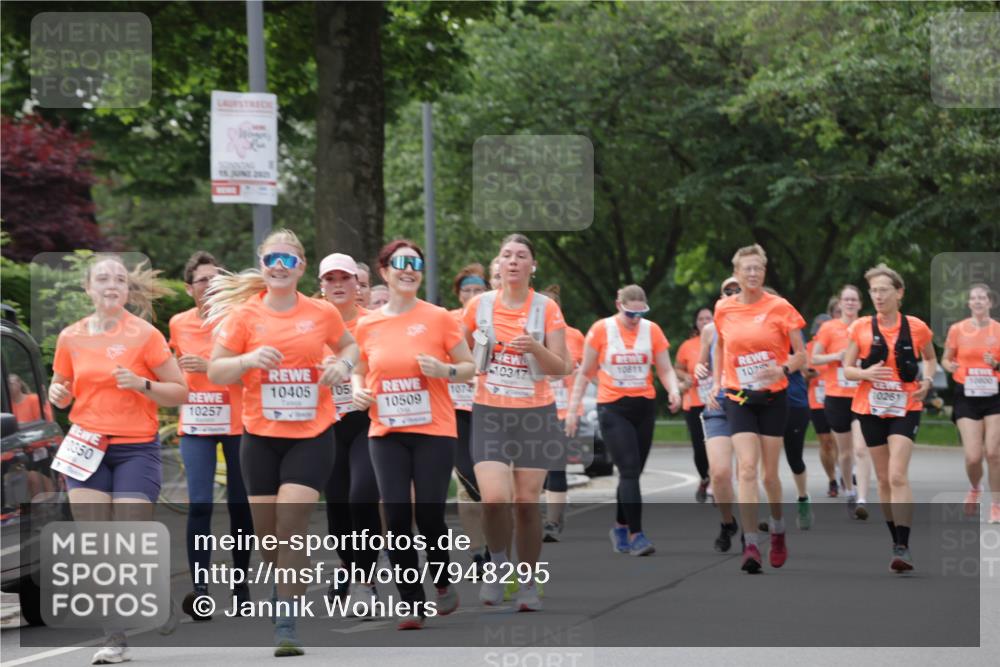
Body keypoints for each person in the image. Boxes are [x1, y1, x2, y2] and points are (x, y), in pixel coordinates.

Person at [207, 229, 358, 656]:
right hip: (259, 436)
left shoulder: (322, 312)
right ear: (262, 265)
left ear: (301, 267)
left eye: (288, 260)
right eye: (272, 258)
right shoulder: (244, 318)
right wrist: (248, 360)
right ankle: (291, 578)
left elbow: (350, 346)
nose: (279, 265)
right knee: (267, 537)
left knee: (291, 526)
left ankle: (286, 621)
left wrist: (342, 366)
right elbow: (217, 371)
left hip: (312, 434)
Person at [48, 254, 188, 664]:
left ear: (127, 290)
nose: (112, 284)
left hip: (135, 448)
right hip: (87, 448)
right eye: (103, 278)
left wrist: (143, 383)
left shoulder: (144, 335)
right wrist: (59, 395)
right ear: (88, 289)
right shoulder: (70, 337)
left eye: (120, 279)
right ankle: (115, 638)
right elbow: (63, 388)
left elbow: (179, 391)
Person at [351, 239, 475, 629]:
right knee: (397, 514)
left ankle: (440, 579)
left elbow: (469, 365)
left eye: (416, 263)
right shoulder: (367, 323)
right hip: (385, 429)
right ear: (384, 271)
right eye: (400, 263)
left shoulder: (438, 317)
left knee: (430, 515)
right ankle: (410, 602)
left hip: (434, 429)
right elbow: (358, 366)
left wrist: (445, 371)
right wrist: (357, 388)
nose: (409, 269)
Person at [463, 234, 571, 612]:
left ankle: (527, 581)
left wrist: (536, 347)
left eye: (521, 256)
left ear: (532, 266)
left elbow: (563, 366)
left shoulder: (546, 309)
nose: (512, 261)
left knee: (526, 503)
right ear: (498, 264)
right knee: (494, 499)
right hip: (490, 411)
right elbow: (461, 354)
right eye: (506, 255)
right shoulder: (479, 306)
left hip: (535, 412)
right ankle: (496, 566)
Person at [566, 285, 682, 557]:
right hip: (613, 408)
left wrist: (674, 390)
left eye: (640, 313)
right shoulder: (601, 330)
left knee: (635, 472)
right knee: (628, 470)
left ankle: (619, 525)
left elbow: (664, 368)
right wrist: (573, 410)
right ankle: (636, 534)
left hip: (643, 406)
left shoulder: (651, 330)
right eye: (630, 313)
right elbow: (584, 374)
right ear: (618, 305)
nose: (635, 318)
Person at [169, 251, 254, 621]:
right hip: (196, 424)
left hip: (237, 421)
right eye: (203, 280)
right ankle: (201, 589)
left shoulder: (239, 321)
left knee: (240, 505)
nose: (210, 285)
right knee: (200, 503)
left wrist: (211, 368)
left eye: (217, 279)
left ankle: (240, 584)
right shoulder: (178, 324)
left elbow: (251, 374)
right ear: (189, 289)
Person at [711, 244, 806, 573]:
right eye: (746, 269)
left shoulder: (780, 307)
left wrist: (781, 370)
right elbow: (722, 345)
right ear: (736, 273)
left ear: (764, 272)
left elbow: (801, 356)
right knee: (746, 469)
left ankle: (777, 529)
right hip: (738, 397)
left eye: (758, 269)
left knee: (769, 475)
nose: (752, 274)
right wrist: (718, 381)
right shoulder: (724, 309)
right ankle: (750, 543)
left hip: (773, 397)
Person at [842, 263, 937, 572]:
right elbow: (847, 368)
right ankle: (895, 538)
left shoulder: (918, 327)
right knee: (883, 479)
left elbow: (931, 358)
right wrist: (865, 372)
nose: (878, 296)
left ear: (899, 293)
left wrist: (927, 381)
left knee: (897, 475)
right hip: (870, 408)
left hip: (905, 406)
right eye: (874, 291)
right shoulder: (860, 327)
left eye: (884, 290)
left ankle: (903, 545)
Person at [317, 252, 383, 612]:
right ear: (321, 286)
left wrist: (362, 378)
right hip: (325, 422)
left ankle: (364, 581)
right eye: (331, 279)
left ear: (358, 284)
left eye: (345, 278)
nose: (338, 285)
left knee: (362, 494)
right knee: (338, 504)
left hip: (366, 420)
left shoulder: (374, 323)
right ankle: (348, 564)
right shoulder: (308, 323)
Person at [942, 283, 1000, 524]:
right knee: (973, 456)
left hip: (994, 394)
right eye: (973, 298)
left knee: (994, 453)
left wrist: (995, 364)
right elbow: (945, 359)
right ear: (968, 304)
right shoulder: (958, 329)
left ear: (990, 303)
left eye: (982, 298)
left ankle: (996, 504)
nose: (977, 302)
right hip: (967, 394)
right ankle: (975, 487)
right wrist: (950, 366)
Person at [813, 285, 871, 519]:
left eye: (853, 299)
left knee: (861, 449)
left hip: (862, 394)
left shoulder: (867, 325)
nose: (849, 303)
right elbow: (814, 357)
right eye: (845, 300)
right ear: (840, 304)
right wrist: (835, 357)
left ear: (859, 303)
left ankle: (862, 499)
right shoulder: (829, 328)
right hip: (836, 396)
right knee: (845, 453)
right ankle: (848, 489)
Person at [449, 263, 489, 570]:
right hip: (457, 410)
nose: (473, 295)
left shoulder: (498, 322)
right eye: (467, 290)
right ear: (459, 294)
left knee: (496, 485)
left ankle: (496, 545)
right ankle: (477, 550)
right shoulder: (446, 321)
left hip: (493, 411)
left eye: (479, 289)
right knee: (467, 483)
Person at [697, 277, 742, 551]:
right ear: (721, 295)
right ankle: (728, 522)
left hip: (750, 403)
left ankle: (755, 529)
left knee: (749, 472)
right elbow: (701, 364)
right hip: (719, 403)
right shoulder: (710, 330)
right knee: (720, 472)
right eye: (728, 290)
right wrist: (699, 370)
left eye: (738, 290)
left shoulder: (759, 325)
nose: (733, 294)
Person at [540, 284, 586, 542]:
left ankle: (552, 522)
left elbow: (577, 377)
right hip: (533, 410)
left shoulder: (574, 336)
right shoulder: (530, 333)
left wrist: (573, 412)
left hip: (561, 411)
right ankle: (555, 508)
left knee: (555, 466)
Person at [675, 307, 714, 502]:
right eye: (701, 319)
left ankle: (717, 483)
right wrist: (686, 377)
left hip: (716, 400)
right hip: (695, 402)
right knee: (699, 447)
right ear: (696, 323)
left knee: (716, 445)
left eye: (709, 318)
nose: (705, 321)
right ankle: (705, 478)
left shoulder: (721, 339)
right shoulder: (688, 345)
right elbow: (677, 368)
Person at [806, 307, 840, 498]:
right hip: (817, 400)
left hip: (837, 398)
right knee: (826, 442)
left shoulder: (840, 344)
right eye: (818, 329)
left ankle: (845, 471)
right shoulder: (810, 348)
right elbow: (804, 373)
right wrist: (810, 374)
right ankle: (832, 479)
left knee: (840, 441)